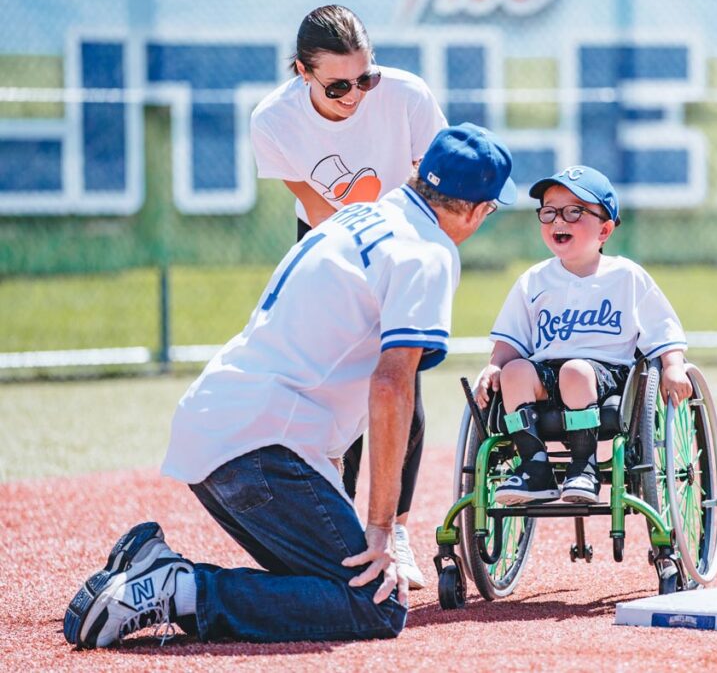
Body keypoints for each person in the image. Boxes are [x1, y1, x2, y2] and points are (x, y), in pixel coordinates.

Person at [63, 123, 516, 649]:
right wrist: (381, 527)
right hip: (264, 447)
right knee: (376, 605)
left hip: (218, 427)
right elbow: (392, 388)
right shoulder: (429, 251)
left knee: (325, 586)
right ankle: (180, 588)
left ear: (419, 174)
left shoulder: (360, 214)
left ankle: (153, 569)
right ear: (480, 209)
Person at [250, 4, 448, 588]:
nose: (357, 94)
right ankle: (340, 531)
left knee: (396, 381)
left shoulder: (408, 96)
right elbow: (316, 207)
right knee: (332, 390)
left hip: (405, 241)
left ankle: (398, 529)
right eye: (339, 85)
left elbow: (433, 191)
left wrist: (403, 265)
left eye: (366, 78)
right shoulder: (273, 120)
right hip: (328, 241)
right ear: (300, 73)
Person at [473, 165, 692, 505]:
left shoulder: (626, 276)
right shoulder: (533, 280)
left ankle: (584, 466)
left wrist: (674, 366)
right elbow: (511, 341)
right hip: (548, 377)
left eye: (574, 211)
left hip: (609, 374)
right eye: (549, 212)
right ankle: (535, 467)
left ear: (604, 230)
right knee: (516, 371)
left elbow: (662, 328)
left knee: (575, 371)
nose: (558, 221)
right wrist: (494, 366)